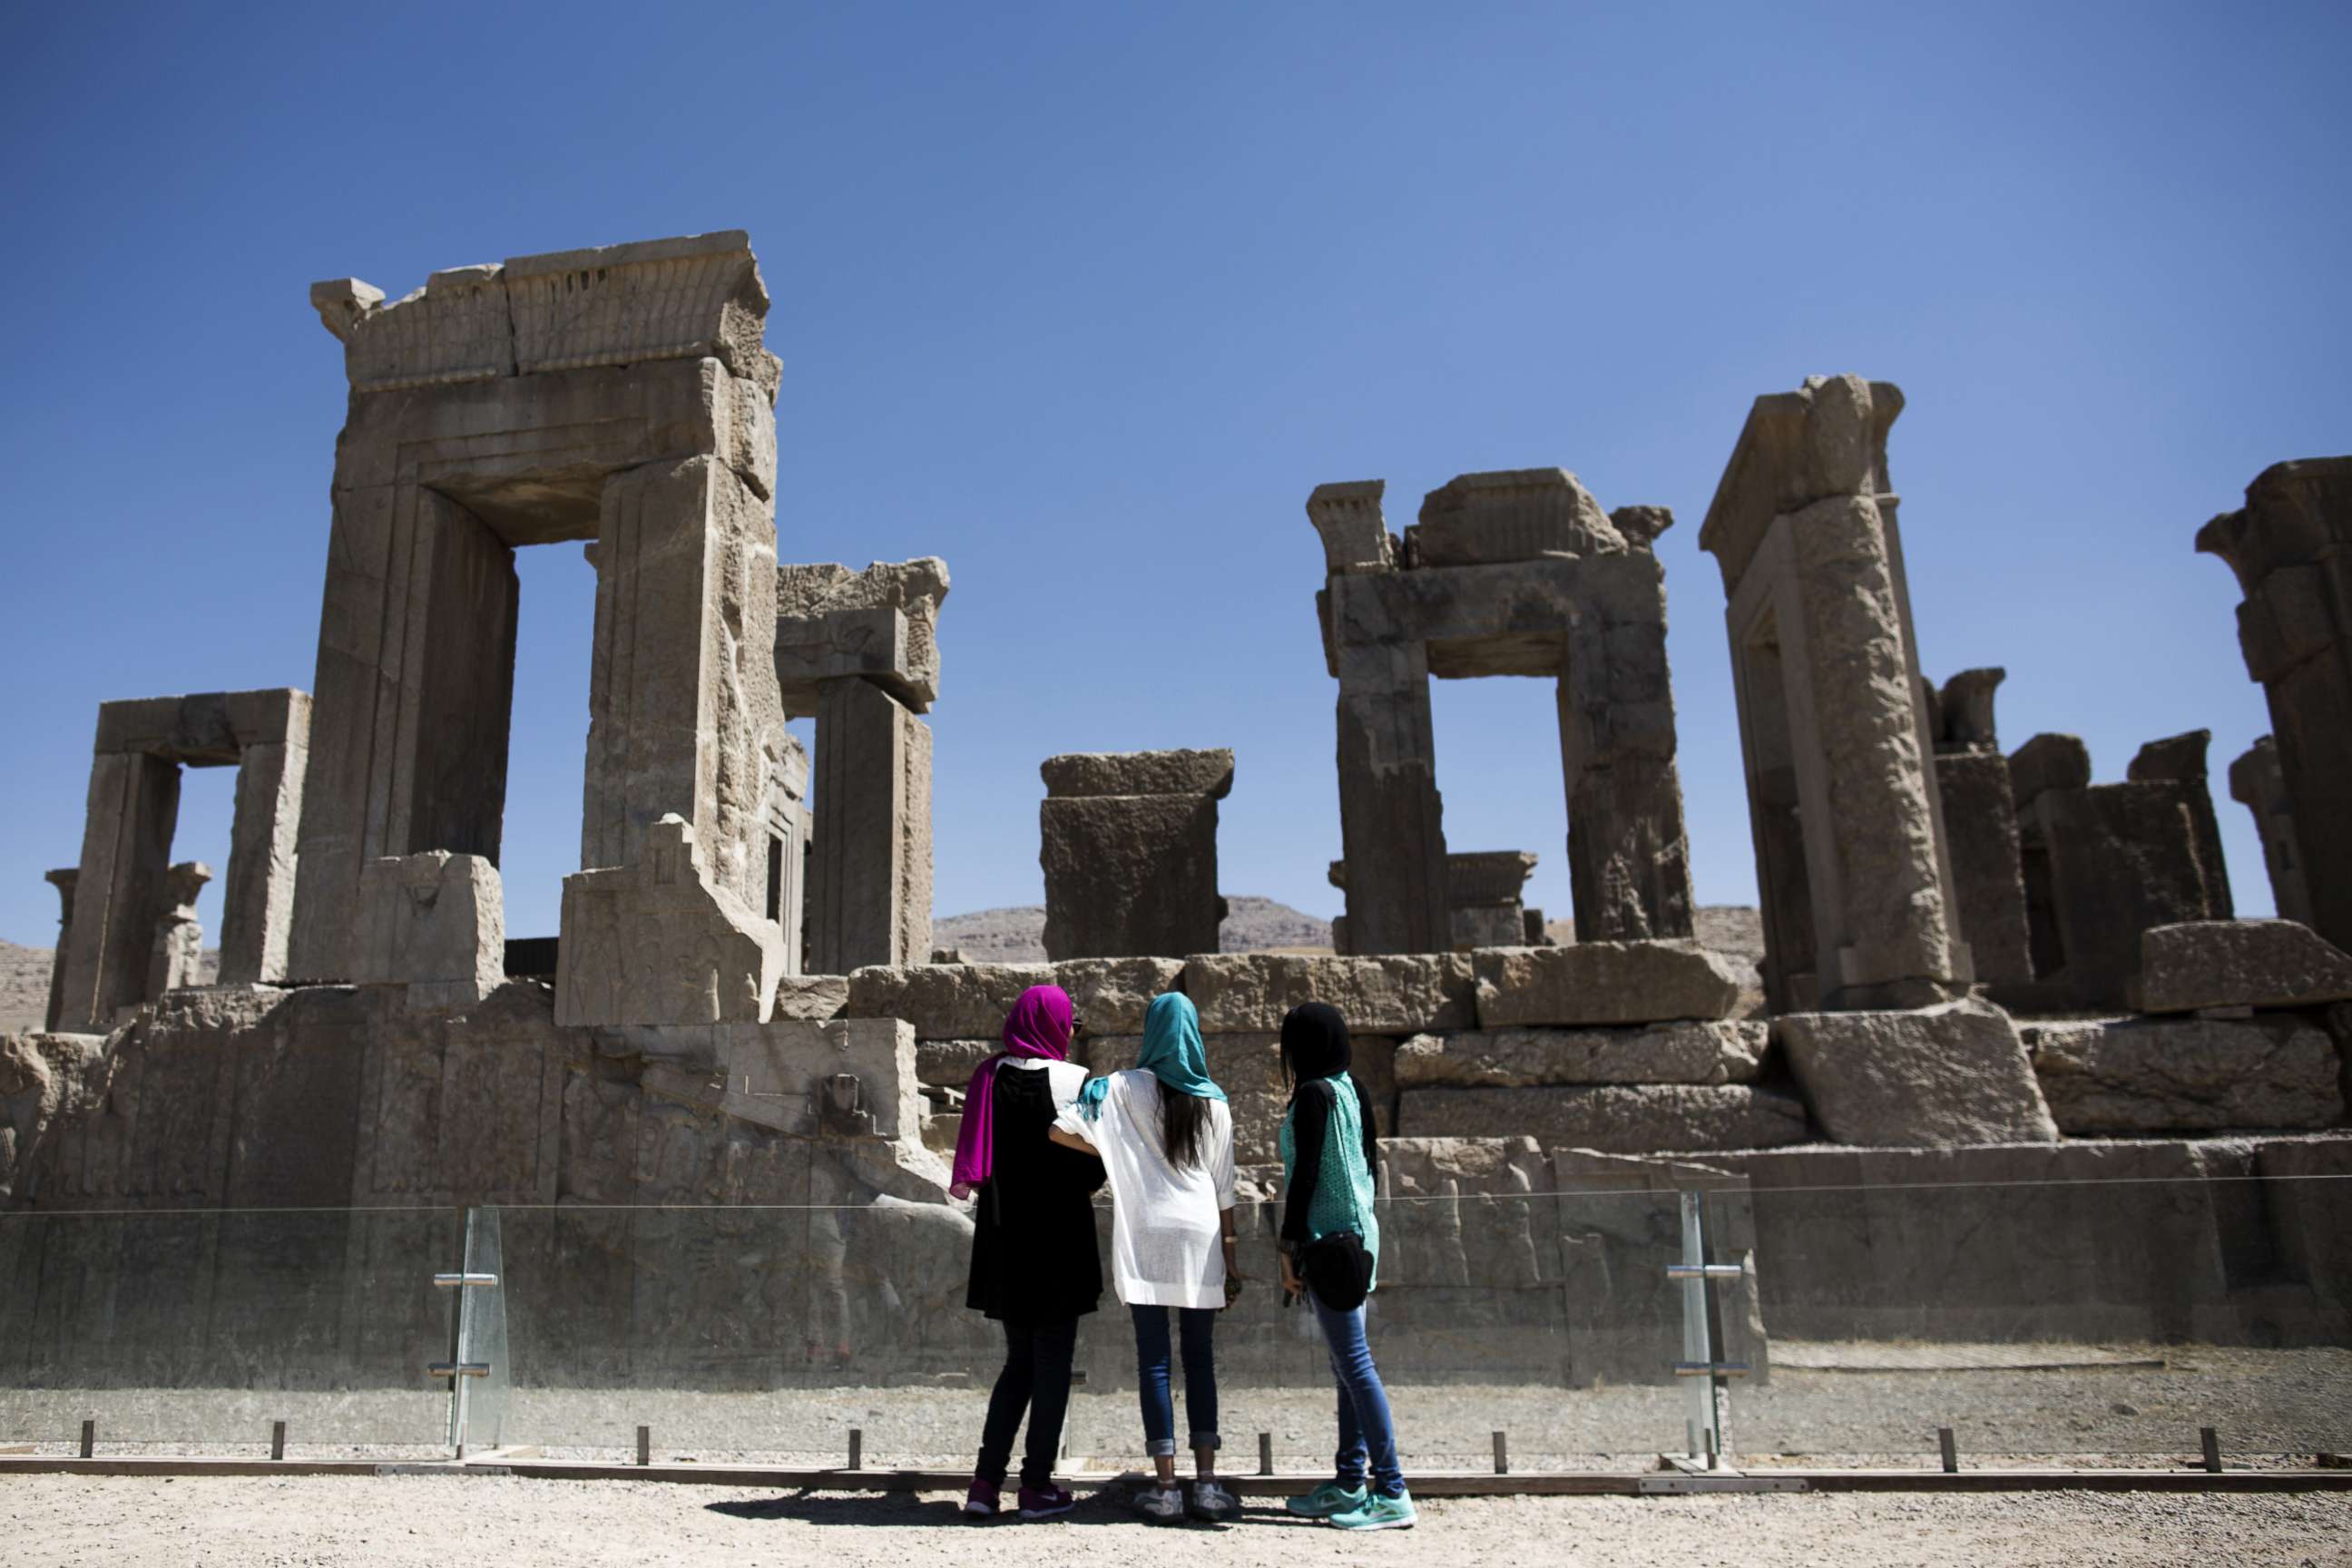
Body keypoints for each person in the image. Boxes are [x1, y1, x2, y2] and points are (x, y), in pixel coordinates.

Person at [1052, 992, 1242, 1524]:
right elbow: (1225, 1188)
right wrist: (1232, 1257)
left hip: (1148, 1235)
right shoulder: (1215, 1101)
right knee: (1201, 1359)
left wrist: (1119, 1151)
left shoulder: (1118, 1088)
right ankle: (1206, 1484)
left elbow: (1060, 1128)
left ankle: (1165, 1486)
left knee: (1154, 1361)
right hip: (1202, 1233)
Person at [955, 985, 1102, 1521]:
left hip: (1005, 1241)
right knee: (1053, 1364)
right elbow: (1093, 1167)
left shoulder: (988, 1076)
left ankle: (985, 1483)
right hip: (1060, 1242)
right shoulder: (1073, 1081)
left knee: (1017, 1363)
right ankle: (1036, 1485)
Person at [1275, 1001, 1415, 1531]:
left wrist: (1290, 1246)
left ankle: (1392, 1489)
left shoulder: (1313, 1094)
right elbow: (1369, 1160)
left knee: (1356, 1366)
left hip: (1328, 1243)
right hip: (1357, 1236)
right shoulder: (1351, 1087)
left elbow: (1305, 1175)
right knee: (1347, 1368)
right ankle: (1351, 1481)